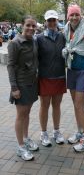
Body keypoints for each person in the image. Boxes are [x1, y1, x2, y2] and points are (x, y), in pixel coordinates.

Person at [7, 15, 39, 161]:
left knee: (27, 113)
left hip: (32, 83)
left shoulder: (33, 41)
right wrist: (14, 88)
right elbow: (10, 66)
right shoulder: (15, 43)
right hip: (20, 84)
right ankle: (20, 147)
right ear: (22, 25)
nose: (31, 28)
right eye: (28, 25)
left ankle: (26, 139)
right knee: (21, 115)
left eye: (33, 26)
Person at [62, 4, 84, 152]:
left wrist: (69, 49)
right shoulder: (66, 29)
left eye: (76, 14)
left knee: (79, 106)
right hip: (71, 69)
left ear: (80, 15)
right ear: (68, 16)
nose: (74, 17)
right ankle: (80, 132)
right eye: (71, 15)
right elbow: (67, 45)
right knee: (75, 104)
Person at [37, 10, 66, 146]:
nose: (52, 22)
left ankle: (56, 131)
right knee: (44, 105)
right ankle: (43, 133)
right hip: (45, 77)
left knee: (57, 105)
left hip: (60, 76)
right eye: (49, 20)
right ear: (45, 22)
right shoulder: (39, 38)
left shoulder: (62, 36)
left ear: (57, 21)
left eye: (54, 20)